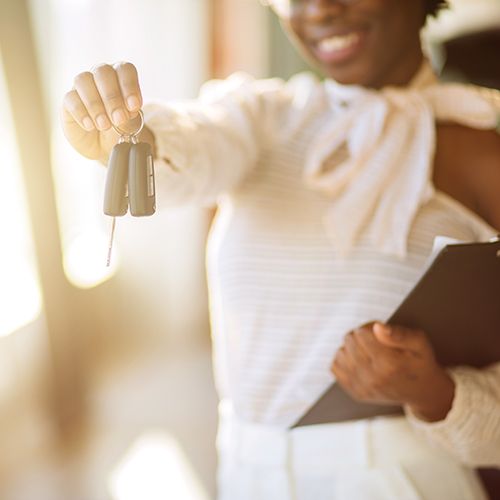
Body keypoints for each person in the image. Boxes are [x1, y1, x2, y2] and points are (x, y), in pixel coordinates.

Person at [60, 0, 500, 498]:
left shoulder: (484, 152)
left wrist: (437, 393)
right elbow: (191, 143)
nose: (319, 10)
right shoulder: (261, 120)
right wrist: (127, 130)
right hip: (247, 478)